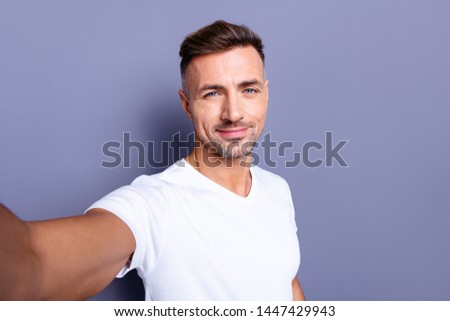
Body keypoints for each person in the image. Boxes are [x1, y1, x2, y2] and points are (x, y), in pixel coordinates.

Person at [0, 20, 305, 301]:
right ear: (187, 105)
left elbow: (286, 284)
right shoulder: (154, 204)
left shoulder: (277, 189)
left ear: (265, 94)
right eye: (213, 94)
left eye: (248, 89)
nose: (233, 112)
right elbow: (33, 261)